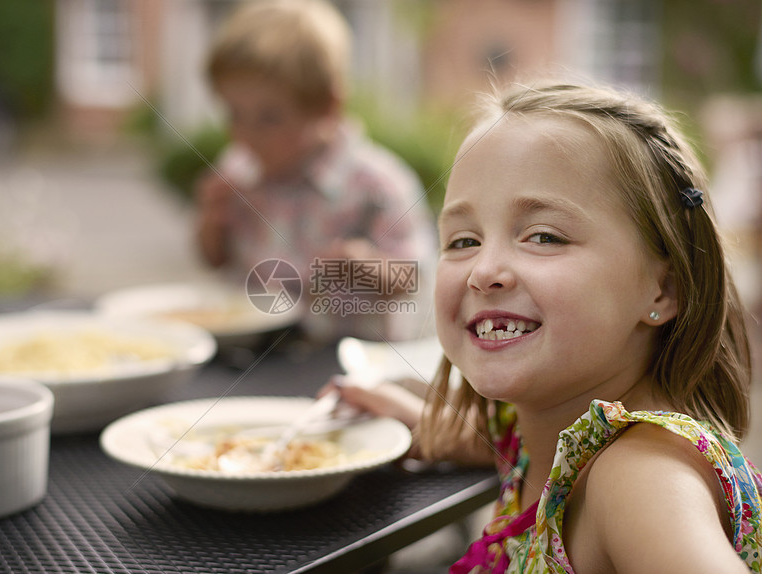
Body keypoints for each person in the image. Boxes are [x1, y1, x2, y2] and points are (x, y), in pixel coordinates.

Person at [328, 81, 762, 572]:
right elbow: (493, 442)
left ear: (664, 290)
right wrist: (417, 422)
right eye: (463, 240)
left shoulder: (638, 479)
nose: (483, 271)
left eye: (544, 236)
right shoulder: (546, 427)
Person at [194, 0, 437, 342]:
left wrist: (363, 264)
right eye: (234, 114)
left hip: (346, 359)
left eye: (269, 118)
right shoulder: (238, 170)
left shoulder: (377, 183)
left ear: (327, 107)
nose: (244, 134)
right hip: (258, 355)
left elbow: (415, 279)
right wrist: (210, 220)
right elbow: (214, 259)